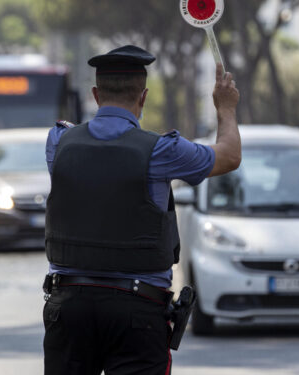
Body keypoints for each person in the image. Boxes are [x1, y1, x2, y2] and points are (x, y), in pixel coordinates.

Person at [43, 45, 240, 375]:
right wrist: (226, 108)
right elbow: (230, 156)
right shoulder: (163, 151)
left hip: (68, 307)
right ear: (143, 97)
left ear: (95, 94)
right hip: (136, 312)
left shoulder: (58, 142)